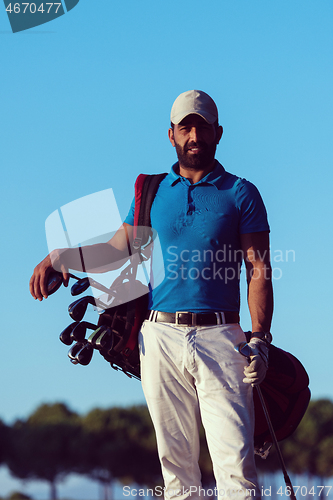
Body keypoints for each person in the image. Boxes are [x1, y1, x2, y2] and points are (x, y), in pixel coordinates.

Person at [30, 90, 273, 500]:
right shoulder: (153, 191)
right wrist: (60, 257)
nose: (194, 134)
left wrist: (260, 338)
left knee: (236, 472)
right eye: (185, 127)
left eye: (202, 126)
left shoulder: (241, 193)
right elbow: (116, 248)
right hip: (159, 338)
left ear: (218, 133)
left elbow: (259, 270)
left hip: (223, 337)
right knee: (177, 474)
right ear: (171, 134)